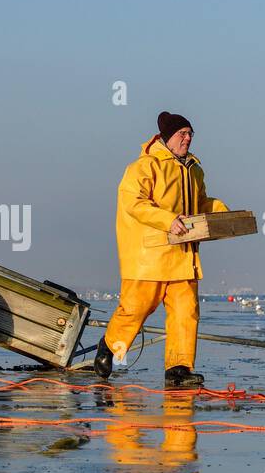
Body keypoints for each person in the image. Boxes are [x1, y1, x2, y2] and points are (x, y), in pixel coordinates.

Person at [94, 111, 230, 387]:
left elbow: (200, 203)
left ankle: (178, 368)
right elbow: (135, 204)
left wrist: (222, 213)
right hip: (149, 257)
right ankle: (110, 347)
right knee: (135, 309)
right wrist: (169, 221)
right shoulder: (144, 167)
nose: (188, 138)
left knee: (186, 312)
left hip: (183, 257)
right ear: (168, 137)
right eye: (183, 133)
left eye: (191, 133)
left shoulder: (195, 169)